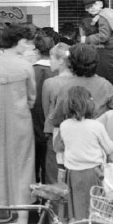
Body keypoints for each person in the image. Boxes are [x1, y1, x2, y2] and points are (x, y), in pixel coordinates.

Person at [0, 23, 37, 224]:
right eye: (25, 41)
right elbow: (31, 98)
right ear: (18, 42)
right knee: (23, 172)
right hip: (20, 124)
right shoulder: (25, 67)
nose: (28, 45)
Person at [59, 85, 113, 222]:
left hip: (73, 174)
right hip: (94, 173)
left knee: (77, 212)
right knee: (96, 211)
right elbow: (109, 149)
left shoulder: (64, 125)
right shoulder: (96, 126)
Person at [41, 43, 74, 186]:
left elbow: (46, 110)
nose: (50, 61)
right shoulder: (77, 81)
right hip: (75, 134)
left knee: (53, 177)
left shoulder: (50, 83)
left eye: (52, 57)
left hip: (54, 134)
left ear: (61, 61)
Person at [32, 34, 56, 183]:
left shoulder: (30, 70)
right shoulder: (59, 72)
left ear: (36, 50)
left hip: (32, 123)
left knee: (33, 167)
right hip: (51, 126)